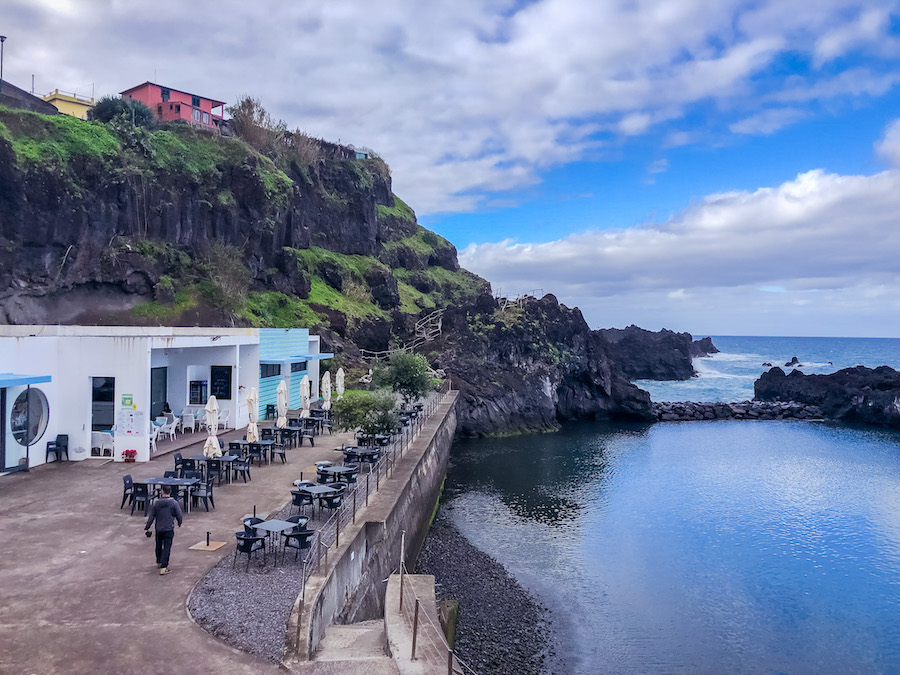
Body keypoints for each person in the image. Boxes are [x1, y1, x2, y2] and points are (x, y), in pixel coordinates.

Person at [144, 485, 183, 575]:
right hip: (169, 528)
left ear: (162, 491)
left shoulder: (157, 503)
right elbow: (179, 514)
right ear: (170, 492)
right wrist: (179, 522)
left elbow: (152, 516)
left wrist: (147, 526)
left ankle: (159, 561)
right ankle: (164, 567)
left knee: (158, 545)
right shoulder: (173, 503)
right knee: (166, 547)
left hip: (159, 528)